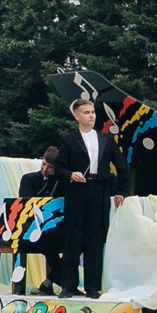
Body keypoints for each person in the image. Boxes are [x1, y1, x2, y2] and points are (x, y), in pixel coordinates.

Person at [58, 95, 126, 296]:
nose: (91, 116)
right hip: (77, 192)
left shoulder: (105, 138)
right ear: (77, 116)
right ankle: (68, 286)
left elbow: (121, 165)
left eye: (93, 112)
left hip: (99, 191)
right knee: (73, 238)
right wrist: (71, 175)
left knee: (95, 240)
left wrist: (120, 190)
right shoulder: (68, 140)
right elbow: (59, 169)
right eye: (87, 113)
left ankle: (92, 287)